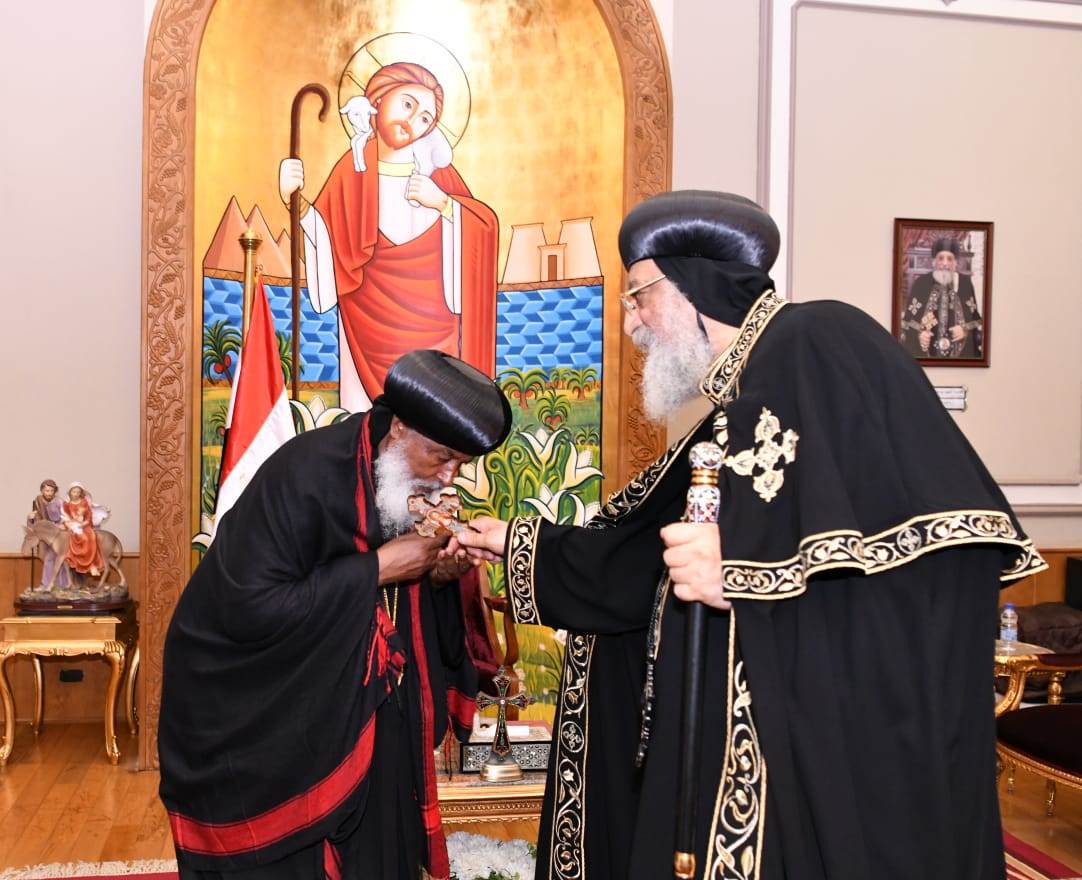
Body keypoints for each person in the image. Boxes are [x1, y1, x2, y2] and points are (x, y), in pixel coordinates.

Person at [454, 191, 1046, 880]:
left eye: (639, 295)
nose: (631, 322)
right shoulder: (740, 401)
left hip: (840, 772)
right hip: (753, 769)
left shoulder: (820, 340)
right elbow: (641, 555)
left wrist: (739, 572)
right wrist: (516, 541)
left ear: (694, 283)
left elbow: (937, 555)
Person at [159, 350, 512, 880]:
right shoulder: (305, 474)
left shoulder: (401, 483)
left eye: (461, 463)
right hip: (281, 729)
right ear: (400, 428)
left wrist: (439, 576)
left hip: (376, 719)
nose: (449, 476)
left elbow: (402, 608)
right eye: (441, 457)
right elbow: (248, 608)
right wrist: (379, 569)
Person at [279, 61, 498, 412]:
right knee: (367, 424)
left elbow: (482, 229)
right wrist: (294, 201)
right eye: (408, 104)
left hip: (434, 335)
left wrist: (443, 204)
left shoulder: (438, 175)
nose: (412, 122)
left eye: (425, 119)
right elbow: (326, 240)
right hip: (364, 324)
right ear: (379, 99)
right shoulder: (352, 169)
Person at [899, 236, 983, 358]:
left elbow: (975, 320)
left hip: (960, 356)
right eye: (941, 258)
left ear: (955, 263)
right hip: (927, 355)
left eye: (950, 259)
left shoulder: (965, 283)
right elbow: (908, 322)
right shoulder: (921, 283)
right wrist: (920, 335)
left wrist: (964, 330)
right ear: (934, 261)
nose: (945, 263)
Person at [28, 478, 70, 588]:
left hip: (58, 534)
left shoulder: (59, 502)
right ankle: (55, 584)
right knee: (46, 557)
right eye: (47, 490)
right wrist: (31, 518)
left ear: (55, 491)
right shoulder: (38, 500)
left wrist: (63, 524)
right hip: (45, 534)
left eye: (51, 491)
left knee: (54, 558)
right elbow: (36, 521)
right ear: (42, 490)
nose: (49, 493)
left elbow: (66, 516)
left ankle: (54, 584)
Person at [61, 482, 104, 579]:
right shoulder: (66, 505)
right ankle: (75, 562)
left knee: (89, 537)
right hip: (72, 526)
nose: (75, 494)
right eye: (74, 492)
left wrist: (83, 524)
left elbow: (88, 517)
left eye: (78, 492)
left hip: (84, 526)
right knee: (71, 537)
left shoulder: (84, 503)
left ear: (81, 493)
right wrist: (68, 524)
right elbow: (65, 517)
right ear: (70, 492)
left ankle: (92, 565)